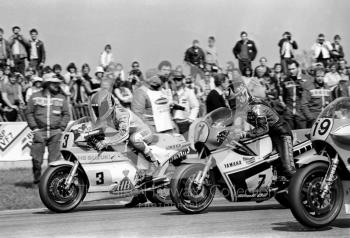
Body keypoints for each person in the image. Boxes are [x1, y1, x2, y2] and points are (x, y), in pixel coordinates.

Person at [217, 82, 296, 178]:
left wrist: (243, 134)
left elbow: (263, 128)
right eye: (230, 101)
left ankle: (296, 184)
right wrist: (219, 127)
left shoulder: (256, 107)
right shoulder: (242, 107)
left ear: (242, 96)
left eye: (234, 100)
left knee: (288, 168)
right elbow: (231, 119)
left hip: (281, 134)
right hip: (267, 135)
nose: (231, 104)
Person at [90, 89, 157, 177]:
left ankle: (153, 162)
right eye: (95, 109)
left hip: (143, 132)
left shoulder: (122, 114)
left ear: (107, 106)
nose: (97, 112)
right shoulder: (105, 116)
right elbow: (96, 128)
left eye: (99, 109)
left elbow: (123, 134)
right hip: (129, 136)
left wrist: (106, 141)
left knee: (134, 139)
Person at [26, 73, 70, 184]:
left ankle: (51, 183)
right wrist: (35, 128)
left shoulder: (61, 98)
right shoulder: (34, 96)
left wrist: (61, 128)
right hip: (39, 132)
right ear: (47, 84)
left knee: (54, 161)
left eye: (58, 83)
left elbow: (66, 114)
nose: (57, 85)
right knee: (36, 159)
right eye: (54, 83)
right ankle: (37, 179)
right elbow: (29, 113)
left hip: (56, 132)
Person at [131, 68, 175, 133]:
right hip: (153, 130)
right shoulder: (141, 92)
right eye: (160, 78)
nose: (162, 81)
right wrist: (149, 129)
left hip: (167, 129)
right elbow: (137, 115)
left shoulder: (161, 91)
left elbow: (166, 111)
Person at [280, 60, 307, 129]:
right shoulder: (285, 81)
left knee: (303, 136)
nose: (291, 71)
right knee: (290, 135)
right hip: (289, 114)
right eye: (289, 69)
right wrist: (286, 108)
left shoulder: (305, 79)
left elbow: (307, 93)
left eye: (293, 69)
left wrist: (299, 79)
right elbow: (282, 96)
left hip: (301, 113)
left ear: (298, 68)